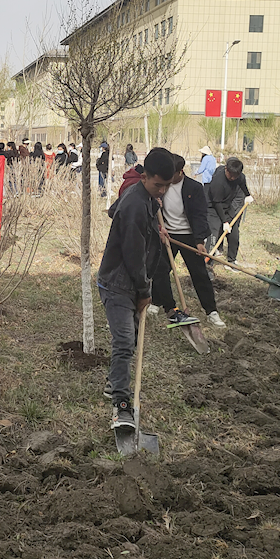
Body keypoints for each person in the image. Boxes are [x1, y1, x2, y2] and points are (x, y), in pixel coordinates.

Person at [97, 147, 175, 432]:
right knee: (125, 341)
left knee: (130, 340)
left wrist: (157, 228)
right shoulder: (133, 204)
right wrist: (144, 290)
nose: (163, 191)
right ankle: (121, 403)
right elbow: (132, 253)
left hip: (132, 281)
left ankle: (113, 382)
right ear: (145, 176)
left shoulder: (147, 199)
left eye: (167, 186)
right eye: (158, 185)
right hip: (118, 284)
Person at [151, 153, 225, 346]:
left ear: (180, 172)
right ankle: (158, 303)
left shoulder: (194, 188)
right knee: (160, 270)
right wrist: (160, 226)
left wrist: (200, 241)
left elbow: (200, 214)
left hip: (189, 236)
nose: (167, 178)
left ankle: (211, 311)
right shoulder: (162, 186)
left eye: (171, 174)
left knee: (199, 273)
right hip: (167, 234)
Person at [206, 157, 253, 266]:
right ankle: (208, 263)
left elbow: (242, 184)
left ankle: (232, 261)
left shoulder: (239, 177)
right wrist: (225, 221)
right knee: (213, 234)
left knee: (234, 234)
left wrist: (247, 195)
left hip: (228, 205)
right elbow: (217, 203)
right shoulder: (218, 182)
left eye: (235, 176)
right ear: (226, 169)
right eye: (230, 174)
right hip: (213, 207)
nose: (232, 178)